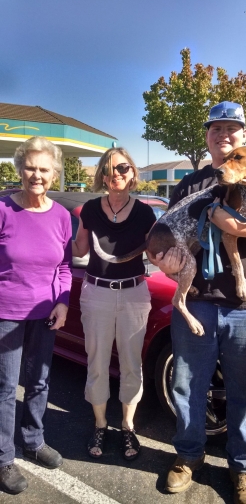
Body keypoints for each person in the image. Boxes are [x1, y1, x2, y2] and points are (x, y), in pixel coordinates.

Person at [154, 102, 246, 503]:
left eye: (231, 128)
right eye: (216, 128)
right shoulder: (190, 183)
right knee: (187, 385)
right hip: (198, 299)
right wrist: (162, 262)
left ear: (244, 135)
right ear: (207, 136)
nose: (223, 135)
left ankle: (244, 468)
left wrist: (237, 225)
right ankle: (187, 456)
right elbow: (169, 234)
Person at [72, 147, 156, 462]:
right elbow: (78, 248)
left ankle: (127, 426)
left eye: (122, 168)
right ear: (102, 176)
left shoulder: (146, 212)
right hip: (97, 293)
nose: (115, 174)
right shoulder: (90, 210)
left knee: (132, 363)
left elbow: (159, 252)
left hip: (134, 294)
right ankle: (100, 424)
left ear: (132, 172)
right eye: (108, 169)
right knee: (97, 362)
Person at [0, 136, 72, 495]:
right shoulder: (2, 209)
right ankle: (3, 458)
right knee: (4, 386)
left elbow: (64, 266)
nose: (37, 175)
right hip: (6, 313)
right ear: (19, 167)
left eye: (44, 169)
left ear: (55, 173)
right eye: (30, 167)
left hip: (46, 313)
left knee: (40, 382)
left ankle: (34, 440)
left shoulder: (61, 216)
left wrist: (63, 302)